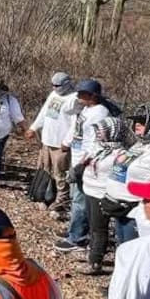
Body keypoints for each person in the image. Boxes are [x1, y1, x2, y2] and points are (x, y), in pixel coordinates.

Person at [101, 105, 150, 245]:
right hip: (119, 208)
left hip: (137, 210)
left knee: (132, 250)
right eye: (136, 121)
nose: (137, 125)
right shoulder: (138, 145)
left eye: (143, 121)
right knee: (122, 247)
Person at [54, 79, 112, 253]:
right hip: (77, 158)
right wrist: (67, 143)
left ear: (93, 96)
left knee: (80, 201)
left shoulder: (101, 113)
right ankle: (75, 229)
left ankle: (77, 238)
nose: (78, 96)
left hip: (85, 162)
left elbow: (96, 141)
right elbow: (74, 122)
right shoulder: (86, 109)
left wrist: (83, 163)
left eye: (82, 94)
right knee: (76, 197)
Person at [80, 117, 133, 276]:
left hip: (102, 194)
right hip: (89, 190)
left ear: (113, 132)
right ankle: (93, 253)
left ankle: (95, 262)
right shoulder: (98, 147)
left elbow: (119, 176)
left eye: (101, 130)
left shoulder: (121, 154)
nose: (97, 133)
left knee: (99, 229)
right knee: (92, 226)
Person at [26, 73, 77, 215]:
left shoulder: (74, 99)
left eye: (58, 86)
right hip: (47, 140)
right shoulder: (53, 95)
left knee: (60, 173)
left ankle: (61, 200)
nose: (55, 88)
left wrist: (67, 141)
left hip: (60, 144)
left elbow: (75, 124)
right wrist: (34, 127)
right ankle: (43, 196)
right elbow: (44, 113)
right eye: (53, 85)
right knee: (44, 169)